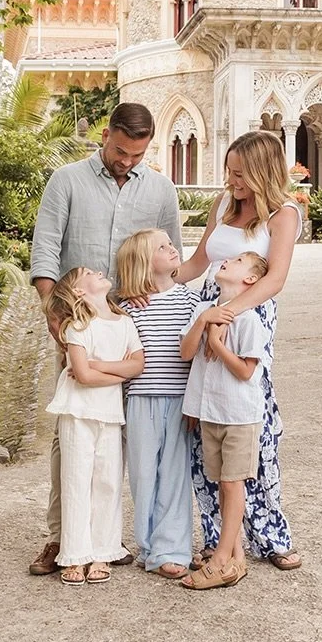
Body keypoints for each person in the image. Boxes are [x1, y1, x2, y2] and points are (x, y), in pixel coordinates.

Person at [29, 102, 182, 576]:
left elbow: (172, 257)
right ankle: (62, 538)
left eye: (138, 155)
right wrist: (56, 314)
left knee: (128, 432)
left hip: (136, 326)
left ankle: (110, 539)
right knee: (73, 432)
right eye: (121, 151)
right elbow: (45, 250)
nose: (127, 161)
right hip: (77, 323)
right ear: (105, 135)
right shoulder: (67, 181)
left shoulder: (160, 189)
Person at [175, 130, 303, 570]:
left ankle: (271, 535)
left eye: (240, 174)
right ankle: (217, 538)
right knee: (204, 420)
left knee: (252, 426)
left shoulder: (284, 214)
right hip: (208, 307)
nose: (231, 181)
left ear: (264, 173)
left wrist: (228, 313)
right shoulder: (223, 204)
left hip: (249, 312)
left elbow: (275, 278)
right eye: (229, 172)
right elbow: (197, 264)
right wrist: (152, 281)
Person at [43, 268, 144, 585]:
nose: (99, 272)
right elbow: (83, 377)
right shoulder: (77, 326)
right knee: (76, 481)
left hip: (110, 414)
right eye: (88, 273)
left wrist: (99, 366)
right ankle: (75, 554)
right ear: (78, 292)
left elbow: (138, 365)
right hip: (78, 413)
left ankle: (103, 551)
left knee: (107, 482)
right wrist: (120, 373)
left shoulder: (125, 323)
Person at [178, 251, 270, 590]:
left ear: (250, 279)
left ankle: (220, 559)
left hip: (239, 414)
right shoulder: (204, 310)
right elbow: (186, 352)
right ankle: (236, 558)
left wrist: (217, 343)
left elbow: (246, 372)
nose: (227, 261)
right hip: (211, 412)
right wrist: (204, 322)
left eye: (238, 261)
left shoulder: (249, 320)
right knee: (222, 484)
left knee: (233, 484)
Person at [114, 229, 199, 580]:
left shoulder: (191, 301)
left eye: (170, 243)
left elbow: (198, 359)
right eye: (162, 247)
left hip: (179, 401)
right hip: (140, 401)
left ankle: (172, 549)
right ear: (143, 264)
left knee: (175, 476)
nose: (172, 248)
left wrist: (196, 404)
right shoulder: (126, 309)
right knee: (143, 475)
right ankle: (148, 546)